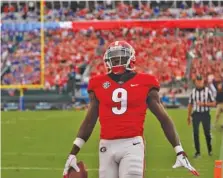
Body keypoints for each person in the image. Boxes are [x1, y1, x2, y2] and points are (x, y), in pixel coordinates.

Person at [63, 41, 199, 178]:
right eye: (114, 57)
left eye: (120, 57)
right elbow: (89, 121)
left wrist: (179, 150)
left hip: (132, 144)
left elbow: (164, 119)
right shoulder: (98, 83)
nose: (117, 61)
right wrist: (73, 152)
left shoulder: (145, 82)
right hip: (106, 146)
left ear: (131, 59)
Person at [187, 75, 216, 158]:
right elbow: (190, 104)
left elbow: (214, 103)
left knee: (207, 133)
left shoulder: (208, 91)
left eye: (200, 81)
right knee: (195, 133)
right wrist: (188, 116)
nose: (199, 83)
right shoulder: (193, 92)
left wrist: (204, 104)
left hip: (205, 114)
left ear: (203, 81)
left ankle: (209, 149)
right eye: (197, 81)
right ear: (195, 82)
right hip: (196, 114)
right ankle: (197, 152)